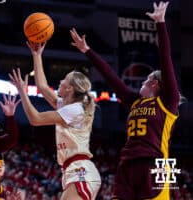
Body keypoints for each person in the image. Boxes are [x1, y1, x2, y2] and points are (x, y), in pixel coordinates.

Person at [70, 1, 179, 199]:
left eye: (147, 79)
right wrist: (87, 51)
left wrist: (161, 23)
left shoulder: (168, 102)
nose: (143, 82)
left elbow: (166, 58)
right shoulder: (134, 101)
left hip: (157, 164)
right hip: (127, 163)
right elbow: (111, 77)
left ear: (155, 83)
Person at [9, 41, 101, 199]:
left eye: (64, 80)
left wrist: (23, 93)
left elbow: (35, 119)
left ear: (70, 88)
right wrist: (37, 55)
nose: (60, 82)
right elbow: (43, 87)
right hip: (74, 171)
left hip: (80, 170)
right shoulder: (67, 106)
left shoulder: (74, 110)